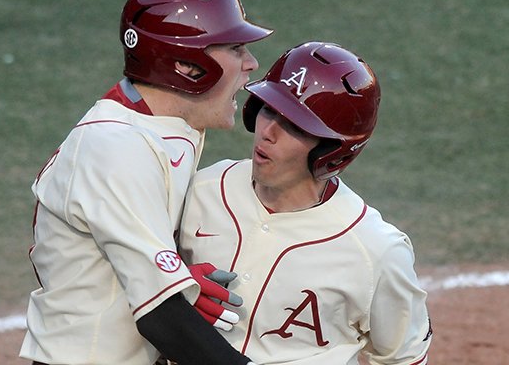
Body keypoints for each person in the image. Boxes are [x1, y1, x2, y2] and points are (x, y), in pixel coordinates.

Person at [19, 0, 272, 365]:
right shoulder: (117, 148)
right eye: (236, 48)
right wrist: (174, 290)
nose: (252, 63)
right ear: (189, 66)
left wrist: (181, 276)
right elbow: (161, 316)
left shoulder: (168, 125)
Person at [178, 41, 433, 364]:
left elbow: (404, 358)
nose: (268, 132)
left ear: (332, 150)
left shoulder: (375, 251)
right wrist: (177, 283)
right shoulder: (202, 189)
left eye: (293, 125)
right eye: (268, 109)